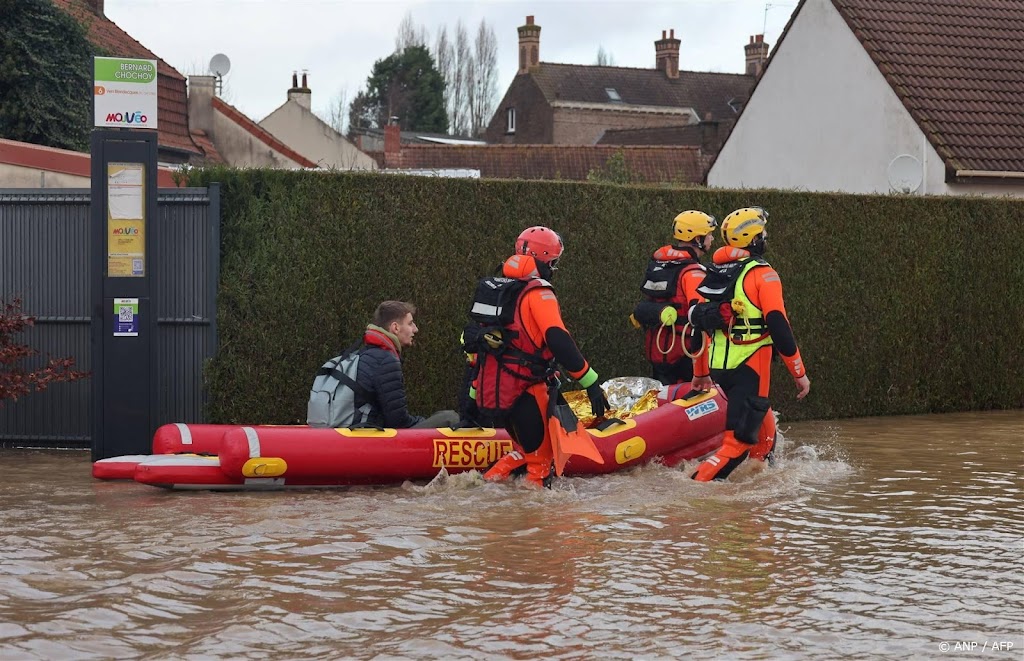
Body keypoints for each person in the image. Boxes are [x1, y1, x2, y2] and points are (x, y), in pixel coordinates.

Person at [466, 226, 609, 488]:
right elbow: (558, 340)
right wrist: (590, 382)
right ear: (545, 259)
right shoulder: (538, 293)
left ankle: (480, 494)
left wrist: (474, 393)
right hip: (527, 391)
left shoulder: (497, 289)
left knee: (524, 451)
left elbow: (478, 343)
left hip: (494, 389)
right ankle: (535, 526)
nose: (554, 267)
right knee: (541, 463)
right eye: (553, 261)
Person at [688, 207, 810, 481]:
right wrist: (799, 374)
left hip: (720, 368)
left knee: (763, 427)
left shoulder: (715, 272)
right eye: (762, 234)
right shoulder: (763, 273)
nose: (765, 238)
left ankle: (759, 487)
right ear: (753, 240)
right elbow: (779, 326)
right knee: (738, 445)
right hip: (750, 367)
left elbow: (699, 325)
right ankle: (694, 490)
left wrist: (700, 373)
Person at [631, 210, 717, 389]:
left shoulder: (660, 264)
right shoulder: (693, 272)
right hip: (685, 355)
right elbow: (700, 318)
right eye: (708, 235)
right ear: (697, 239)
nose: (712, 239)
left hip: (658, 349)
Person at [352, 301, 459, 429]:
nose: (415, 329)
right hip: (372, 441)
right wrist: (423, 421)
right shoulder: (385, 361)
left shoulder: (363, 355)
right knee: (450, 418)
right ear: (395, 328)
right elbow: (398, 422)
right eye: (410, 323)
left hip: (356, 434)